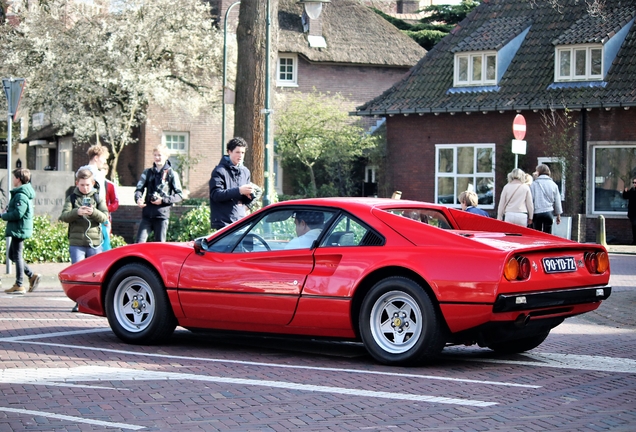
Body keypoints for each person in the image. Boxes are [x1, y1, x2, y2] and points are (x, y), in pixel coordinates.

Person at [2, 169, 41, 295]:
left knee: (16, 255)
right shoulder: (22, 193)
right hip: (19, 228)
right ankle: (31, 275)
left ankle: (19, 284)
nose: (13, 180)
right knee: (12, 255)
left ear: (18, 179)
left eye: (14, 177)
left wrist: (3, 215)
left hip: (19, 228)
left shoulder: (21, 194)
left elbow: (19, 213)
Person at [134, 144, 183, 242]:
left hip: (162, 216)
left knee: (159, 246)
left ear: (166, 156)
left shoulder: (172, 174)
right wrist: (138, 199)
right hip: (147, 215)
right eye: (155, 155)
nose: (157, 158)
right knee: (138, 244)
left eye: (159, 155)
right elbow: (139, 189)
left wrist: (163, 200)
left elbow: (179, 195)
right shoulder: (147, 172)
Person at [59, 169, 109, 262]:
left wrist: (93, 212)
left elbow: (105, 217)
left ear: (93, 183)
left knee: (95, 273)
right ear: (77, 183)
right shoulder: (72, 198)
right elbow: (63, 217)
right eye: (82, 185)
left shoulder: (98, 198)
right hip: (76, 243)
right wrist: (76, 212)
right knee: (78, 274)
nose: (85, 188)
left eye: (87, 185)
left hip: (94, 243)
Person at [209, 137, 255, 230]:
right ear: (229, 152)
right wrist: (239, 191)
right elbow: (216, 195)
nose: (241, 155)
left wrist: (250, 197)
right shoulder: (219, 171)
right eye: (237, 152)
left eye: (243, 153)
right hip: (224, 223)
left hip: (241, 221)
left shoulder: (245, 171)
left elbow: (243, 198)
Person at [78, 144, 111, 249]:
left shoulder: (80, 172)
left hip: (83, 211)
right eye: (103, 158)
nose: (105, 161)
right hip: (97, 212)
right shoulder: (97, 174)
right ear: (96, 158)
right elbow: (99, 195)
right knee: (103, 243)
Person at [530, 164, 562, 233]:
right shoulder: (553, 184)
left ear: (538, 172)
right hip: (549, 212)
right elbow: (557, 201)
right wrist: (558, 215)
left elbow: (530, 200)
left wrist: (530, 215)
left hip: (537, 213)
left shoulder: (534, 184)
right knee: (547, 235)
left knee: (537, 234)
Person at [622, 176, 636, 245]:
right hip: (633, 212)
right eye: (633, 182)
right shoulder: (632, 190)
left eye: (635, 183)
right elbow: (625, 197)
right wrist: (625, 191)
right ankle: (634, 240)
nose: (634, 184)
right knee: (634, 226)